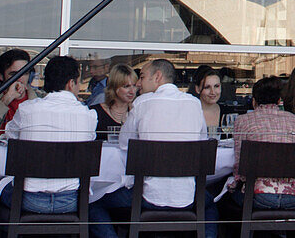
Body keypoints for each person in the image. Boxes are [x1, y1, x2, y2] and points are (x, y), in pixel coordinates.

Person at [88, 59, 216, 238]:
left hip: (148, 196)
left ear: (157, 77)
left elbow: (125, 143)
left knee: (93, 202)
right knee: (212, 204)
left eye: (142, 77)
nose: (138, 83)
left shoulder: (142, 103)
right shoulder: (193, 104)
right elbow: (202, 142)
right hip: (187, 197)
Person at [0, 56, 97, 215]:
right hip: (71, 201)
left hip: (30, 200)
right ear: (71, 83)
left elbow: (9, 136)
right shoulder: (89, 115)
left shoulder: (27, 109)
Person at [230, 77, 295, 211]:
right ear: (278, 100)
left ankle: (248, 232)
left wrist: (235, 183)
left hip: (259, 195)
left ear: (254, 101)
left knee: (226, 200)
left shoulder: (243, 121)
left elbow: (240, 165)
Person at [90, 63, 138, 140]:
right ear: (114, 87)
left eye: (134, 85)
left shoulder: (137, 112)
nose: (132, 91)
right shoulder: (95, 113)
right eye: (126, 86)